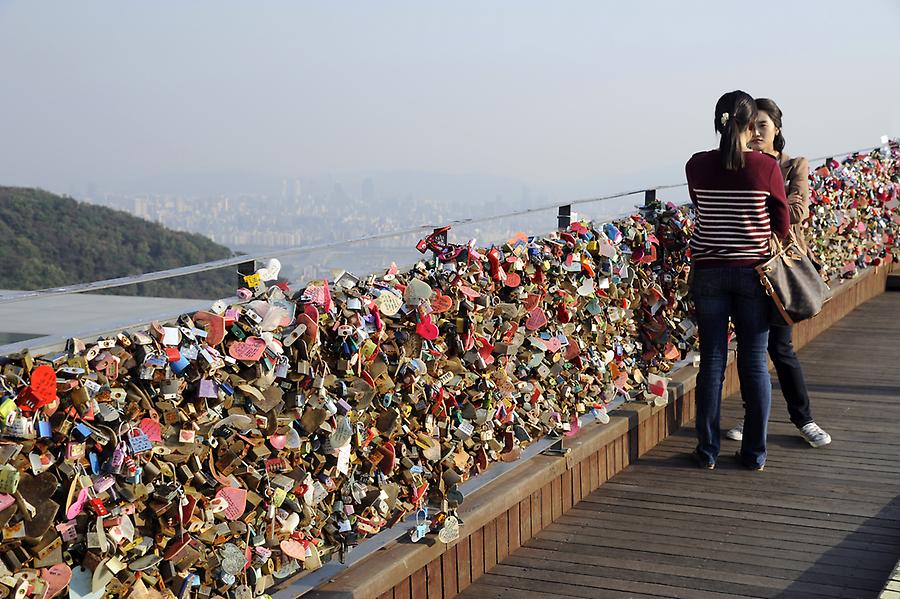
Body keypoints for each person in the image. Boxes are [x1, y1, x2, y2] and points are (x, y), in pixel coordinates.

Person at [685, 90, 790, 471]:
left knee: (712, 360)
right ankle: (754, 454)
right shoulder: (766, 168)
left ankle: (707, 451)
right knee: (754, 362)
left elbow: (700, 207)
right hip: (753, 274)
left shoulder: (696, 165)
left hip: (709, 272)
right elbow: (782, 222)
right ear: (750, 127)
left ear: (718, 123)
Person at [724, 98, 832, 448]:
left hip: (781, 269)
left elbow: (799, 210)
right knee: (751, 348)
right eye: (751, 126)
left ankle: (804, 418)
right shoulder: (739, 164)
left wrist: (761, 199)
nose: (755, 133)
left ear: (777, 130)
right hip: (746, 268)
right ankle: (752, 416)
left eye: (763, 126)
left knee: (781, 347)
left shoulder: (793, 165)